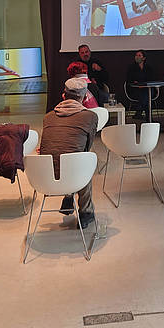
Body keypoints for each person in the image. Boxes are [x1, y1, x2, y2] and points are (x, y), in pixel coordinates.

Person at [39, 78, 99, 229]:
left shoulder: (48, 117)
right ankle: (86, 212)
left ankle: (68, 198)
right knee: (83, 160)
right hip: (73, 177)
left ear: (63, 95)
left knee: (64, 156)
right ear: (84, 98)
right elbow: (86, 148)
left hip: (45, 177)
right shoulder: (90, 117)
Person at [125, 49, 154, 120]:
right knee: (146, 96)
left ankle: (139, 112)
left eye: (139, 55)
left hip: (147, 89)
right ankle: (149, 118)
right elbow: (129, 80)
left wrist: (144, 85)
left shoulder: (148, 68)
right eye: (136, 55)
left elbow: (151, 79)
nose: (137, 57)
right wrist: (137, 84)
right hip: (135, 89)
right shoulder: (131, 68)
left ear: (144, 58)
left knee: (147, 94)